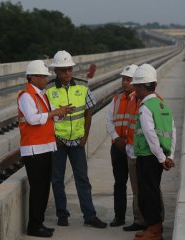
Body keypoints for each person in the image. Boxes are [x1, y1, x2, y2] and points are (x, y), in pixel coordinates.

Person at [45, 50, 107, 228]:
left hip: (78, 141)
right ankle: (62, 214)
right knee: (57, 179)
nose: (67, 73)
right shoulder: (48, 89)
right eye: (63, 70)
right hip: (58, 141)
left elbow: (88, 111)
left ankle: (89, 216)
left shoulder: (82, 86)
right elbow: (45, 116)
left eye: (69, 69)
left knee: (82, 179)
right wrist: (52, 137)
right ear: (56, 71)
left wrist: (85, 136)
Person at [17, 60, 75, 238]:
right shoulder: (26, 96)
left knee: (43, 188)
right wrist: (54, 113)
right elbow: (33, 119)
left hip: (45, 147)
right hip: (33, 149)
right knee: (38, 189)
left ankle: (39, 223)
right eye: (43, 76)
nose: (45, 79)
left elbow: (48, 118)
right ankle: (34, 227)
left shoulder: (41, 95)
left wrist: (59, 113)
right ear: (33, 77)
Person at [131, 64, 176, 240]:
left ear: (141, 87)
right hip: (158, 157)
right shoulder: (162, 105)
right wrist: (169, 156)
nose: (135, 89)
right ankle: (152, 227)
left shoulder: (145, 107)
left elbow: (150, 135)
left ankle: (154, 231)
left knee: (147, 194)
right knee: (152, 191)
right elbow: (173, 132)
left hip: (147, 157)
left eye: (136, 86)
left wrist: (160, 158)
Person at [106, 64, 138, 227]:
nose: (125, 82)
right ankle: (119, 217)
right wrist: (116, 138)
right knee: (119, 183)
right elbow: (109, 120)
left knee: (137, 184)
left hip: (133, 148)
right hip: (118, 147)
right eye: (124, 79)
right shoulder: (117, 99)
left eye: (129, 79)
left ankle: (138, 219)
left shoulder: (139, 99)